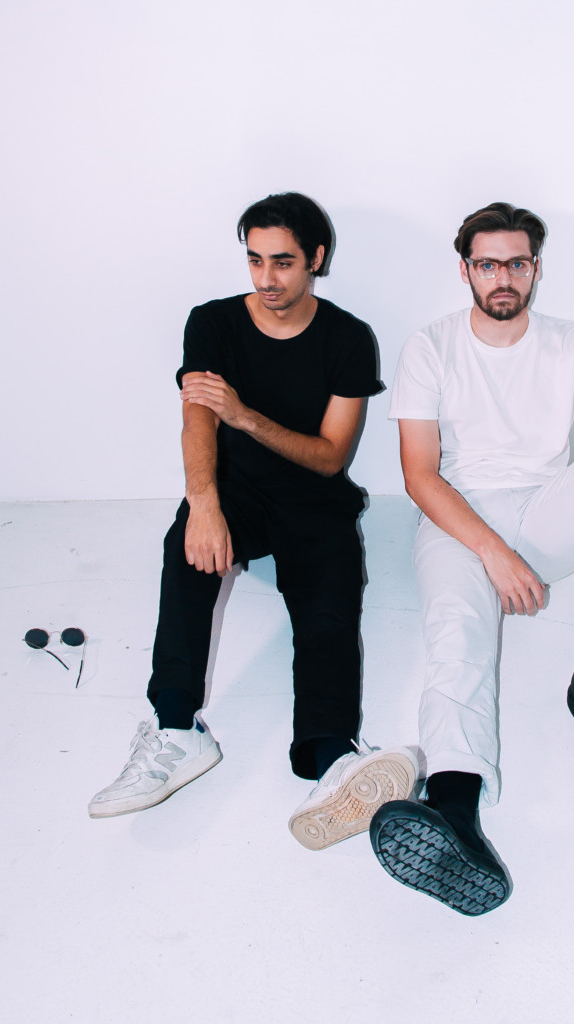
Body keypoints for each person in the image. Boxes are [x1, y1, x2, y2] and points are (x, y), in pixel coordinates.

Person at [89, 192, 416, 849]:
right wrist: (204, 506)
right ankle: (177, 731)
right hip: (233, 493)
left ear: (316, 260)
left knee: (327, 612)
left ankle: (330, 763)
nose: (267, 279)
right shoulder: (211, 324)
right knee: (182, 552)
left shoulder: (348, 339)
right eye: (256, 261)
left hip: (312, 502)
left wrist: (244, 415)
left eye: (284, 263)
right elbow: (195, 420)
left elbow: (329, 458)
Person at [370, 202, 574, 914]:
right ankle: (456, 810)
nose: (504, 277)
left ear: (535, 267)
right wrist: (491, 551)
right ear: (465, 268)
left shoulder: (567, 340)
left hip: (545, 515)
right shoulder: (430, 347)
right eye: (488, 263)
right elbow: (419, 476)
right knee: (454, 636)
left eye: (518, 262)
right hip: (457, 521)